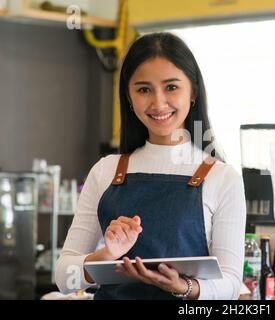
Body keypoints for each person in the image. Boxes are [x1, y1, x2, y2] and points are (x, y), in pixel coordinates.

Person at [55, 32, 246, 300]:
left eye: (171, 87)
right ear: (129, 98)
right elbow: (64, 277)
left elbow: (231, 284)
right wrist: (107, 254)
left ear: (192, 92)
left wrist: (182, 287)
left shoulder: (222, 177)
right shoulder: (106, 170)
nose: (158, 103)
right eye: (144, 89)